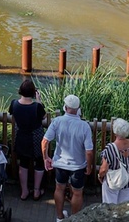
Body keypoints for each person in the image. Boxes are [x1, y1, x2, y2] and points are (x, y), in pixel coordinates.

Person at [42, 94, 94, 222]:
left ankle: (59, 218)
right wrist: (89, 165)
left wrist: (46, 158)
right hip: (78, 166)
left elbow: (44, 142)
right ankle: (74, 219)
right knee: (77, 192)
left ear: (65, 107)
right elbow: (89, 151)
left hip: (60, 163)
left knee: (59, 188)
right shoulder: (84, 126)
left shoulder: (57, 121)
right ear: (78, 109)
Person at [9, 79, 46, 201]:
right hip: (35, 137)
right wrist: (39, 99)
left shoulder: (14, 104)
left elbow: (11, 113)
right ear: (33, 92)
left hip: (21, 136)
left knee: (23, 163)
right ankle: (36, 191)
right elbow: (43, 116)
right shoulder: (36, 107)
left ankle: (24, 191)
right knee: (39, 162)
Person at [98, 118, 129, 204]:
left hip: (113, 181)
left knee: (110, 208)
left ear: (115, 131)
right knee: (125, 207)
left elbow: (104, 169)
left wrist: (100, 176)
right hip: (128, 179)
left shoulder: (110, 148)